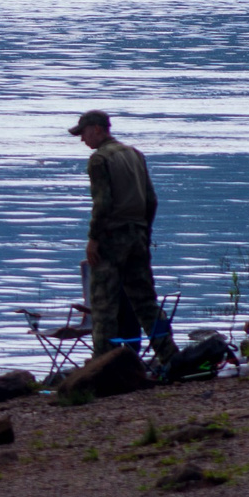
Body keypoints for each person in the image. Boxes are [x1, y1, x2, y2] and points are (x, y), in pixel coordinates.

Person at [72, 110, 179, 374]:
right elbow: (151, 200)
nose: (82, 139)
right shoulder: (135, 154)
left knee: (103, 304)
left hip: (112, 238)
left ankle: (101, 366)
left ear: (97, 129)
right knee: (146, 302)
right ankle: (170, 356)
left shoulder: (99, 160)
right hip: (138, 235)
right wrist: (144, 232)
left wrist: (93, 239)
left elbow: (103, 204)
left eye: (83, 133)